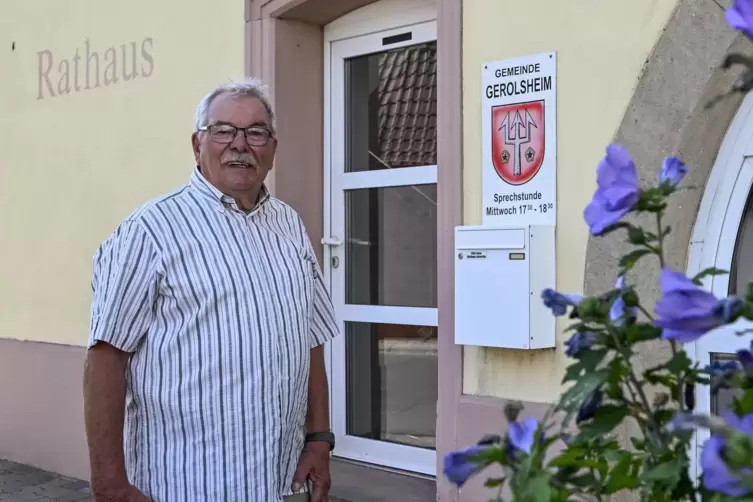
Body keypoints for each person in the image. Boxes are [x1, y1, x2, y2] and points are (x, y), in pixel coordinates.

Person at [82, 78, 339, 502]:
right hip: (185, 485)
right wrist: (110, 486)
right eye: (223, 130)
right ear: (196, 145)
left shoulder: (290, 226)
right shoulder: (149, 232)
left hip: (278, 481)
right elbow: (105, 359)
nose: (240, 144)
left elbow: (309, 339)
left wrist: (319, 440)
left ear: (272, 148)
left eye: (256, 132)